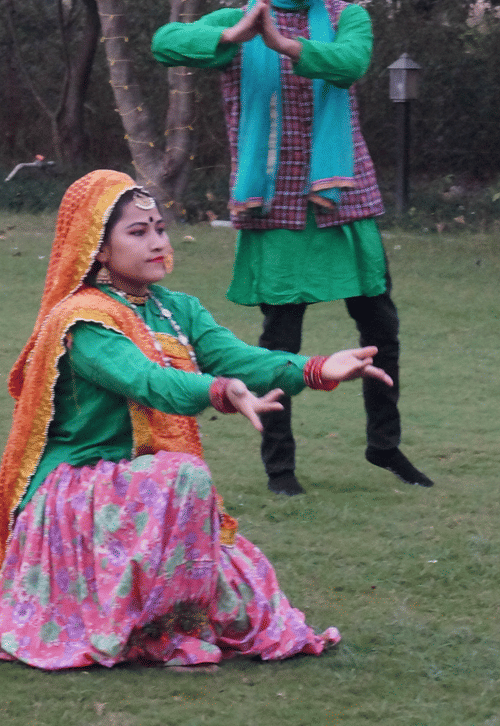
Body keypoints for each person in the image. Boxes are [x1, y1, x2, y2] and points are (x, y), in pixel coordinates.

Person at [0, 169, 393, 671]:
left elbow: (241, 359)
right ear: (98, 248)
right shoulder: (82, 322)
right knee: (184, 475)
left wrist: (316, 368)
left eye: (160, 229)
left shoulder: (173, 309)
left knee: (254, 606)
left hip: (146, 491)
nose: (157, 243)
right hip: (80, 492)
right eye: (138, 233)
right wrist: (219, 390)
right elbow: (147, 382)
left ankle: (170, 622)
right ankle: (152, 629)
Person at [152, 0, 433, 497]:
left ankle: (385, 448)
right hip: (274, 204)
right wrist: (234, 35)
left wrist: (282, 44)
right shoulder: (238, 18)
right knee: (280, 339)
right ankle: (281, 470)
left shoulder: (346, 15)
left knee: (380, 324)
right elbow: (165, 42)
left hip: (343, 196)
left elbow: (351, 63)